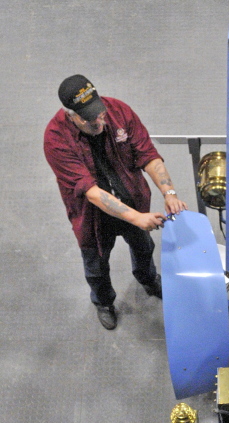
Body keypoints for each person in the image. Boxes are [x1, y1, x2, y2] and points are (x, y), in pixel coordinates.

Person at [44, 75, 188, 330]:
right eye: (90, 118)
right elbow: (91, 192)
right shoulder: (56, 139)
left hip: (133, 199)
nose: (100, 120)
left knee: (143, 247)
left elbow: (148, 155)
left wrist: (169, 193)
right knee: (96, 265)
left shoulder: (119, 111)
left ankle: (148, 279)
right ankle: (103, 302)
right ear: (71, 115)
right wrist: (136, 218)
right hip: (92, 217)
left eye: (100, 112)